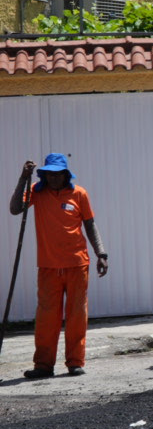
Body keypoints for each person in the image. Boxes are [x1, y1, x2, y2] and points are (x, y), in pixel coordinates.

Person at [9, 155, 108, 379]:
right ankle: (43, 365)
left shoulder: (79, 193)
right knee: (47, 318)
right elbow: (15, 208)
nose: (54, 178)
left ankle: (75, 362)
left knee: (76, 316)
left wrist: (101, 253)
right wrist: (23, 177)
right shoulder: (37, 191)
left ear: (66, 174)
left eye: (58, 173)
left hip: (77, 264)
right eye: (49, 174)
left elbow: (90, 225)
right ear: (43, 175)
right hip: (48, 267)